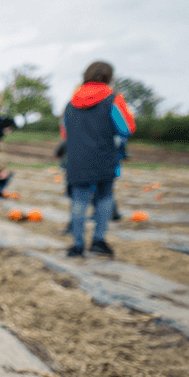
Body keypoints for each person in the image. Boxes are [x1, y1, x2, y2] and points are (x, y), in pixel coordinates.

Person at [59, 60, 135, 258]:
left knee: (79, 200)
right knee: (104, 198)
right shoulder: (113, 99)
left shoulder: (70, 103)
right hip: (104, 157)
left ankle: (77, 245)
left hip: (76, 159)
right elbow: (127, 128)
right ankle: (98, 242)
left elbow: (64, 132)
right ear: (108, 77)